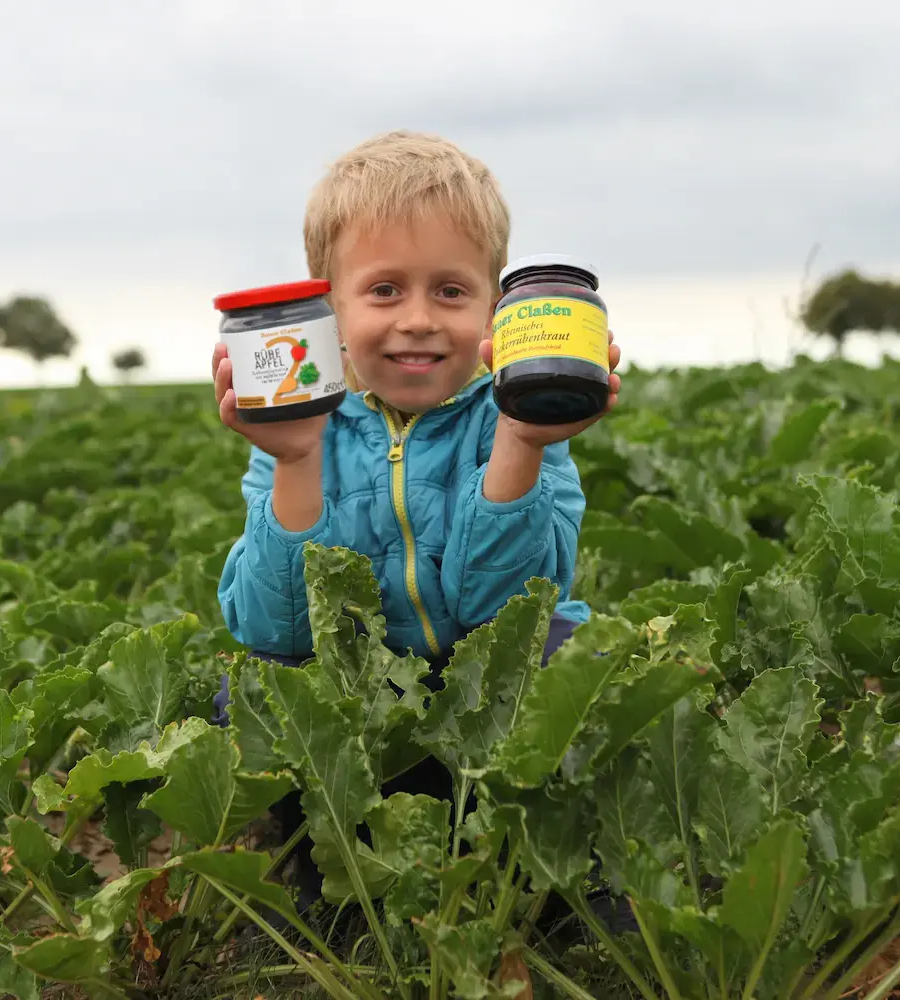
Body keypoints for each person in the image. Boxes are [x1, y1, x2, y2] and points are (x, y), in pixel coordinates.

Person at [209, 129, 622, 907]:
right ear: (326, 306)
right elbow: (276, 629)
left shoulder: (521, 419)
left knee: (573, 658)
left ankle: (563, 870)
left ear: (498, 309)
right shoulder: (296, 432)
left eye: (452, 291)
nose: (420, 319)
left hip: (490, 710)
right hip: (374, 721)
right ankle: (332, 870)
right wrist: (295, 462)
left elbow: (505, 615)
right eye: (385, 290)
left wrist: (521, 442)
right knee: (253, 693)